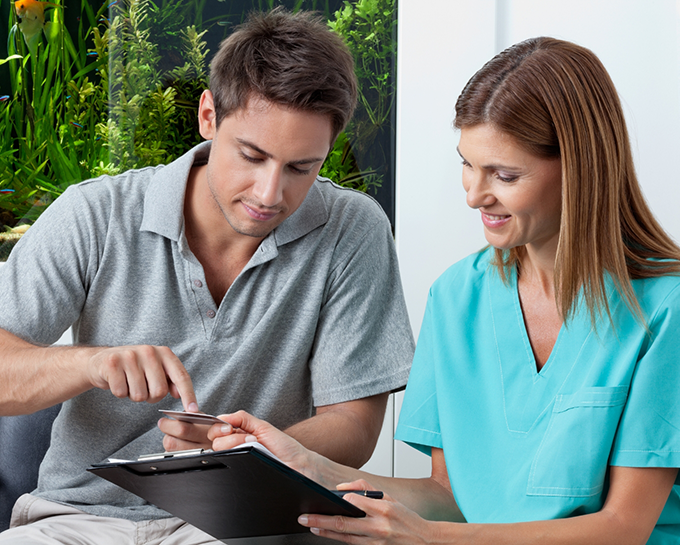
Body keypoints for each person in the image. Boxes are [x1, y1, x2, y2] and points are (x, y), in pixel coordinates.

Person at [206, 37, 680, 544]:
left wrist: (432, 539)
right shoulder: (458, 296)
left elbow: (624, 527)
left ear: (581, 168)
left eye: (504, 174)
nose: (475, 194)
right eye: (467, 165)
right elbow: (450, 499)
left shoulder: (663, 310)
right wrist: (305, 465)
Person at [0, 8, 414, 544]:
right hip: (77, 519)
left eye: (301, 168)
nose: (270, 194)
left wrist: (254, 450)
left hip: (244, 523)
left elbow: (354, 425)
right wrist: (92, 363)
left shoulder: (353, 229)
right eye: (252, 155)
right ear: (208, 115)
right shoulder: (94, 213)